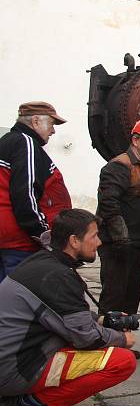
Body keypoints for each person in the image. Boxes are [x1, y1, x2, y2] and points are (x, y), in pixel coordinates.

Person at [0, 209, 136, 406]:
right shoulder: (58, 275)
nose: (99, 242)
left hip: (10, 359)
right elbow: (86, 337)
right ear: (74, 241)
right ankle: (31, 404)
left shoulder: (43, 262)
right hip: (13, 370)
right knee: (122, 361)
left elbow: (59, 313)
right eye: (94, 236)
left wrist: (101, 319)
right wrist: (122, 338)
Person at [96, 117, 140, 320]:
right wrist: (121, 237)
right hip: (115, 244)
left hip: (134, 244)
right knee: (113, 296)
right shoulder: (118, 166)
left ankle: (123, 340)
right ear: (135, 140)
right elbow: (109, 205)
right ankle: (107, 345)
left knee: (131, 296)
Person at [0, 101, 72, 279]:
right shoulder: (26, 143)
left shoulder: (7, 141)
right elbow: (26, 194)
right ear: (36, 121)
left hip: (7, 240)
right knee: (22, 298)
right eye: (52, 124)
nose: (53, 131)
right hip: (20, 243)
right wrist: (43, 233)